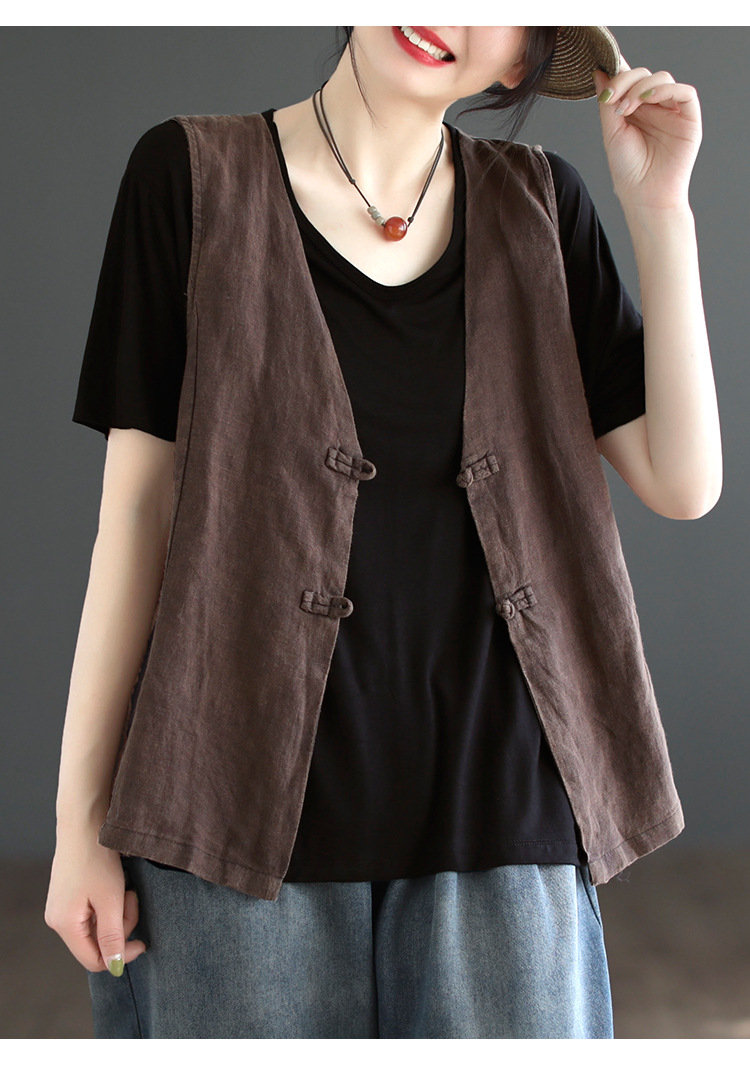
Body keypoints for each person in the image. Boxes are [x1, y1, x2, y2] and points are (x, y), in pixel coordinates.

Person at [45, 26, 721, 1039]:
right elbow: (135, 520)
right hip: (223, 811)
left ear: (522, 61)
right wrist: (79, 826)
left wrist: (660, 210)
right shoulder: (187, 177)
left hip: (500, 811)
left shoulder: (542, 205)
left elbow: (684, 480)